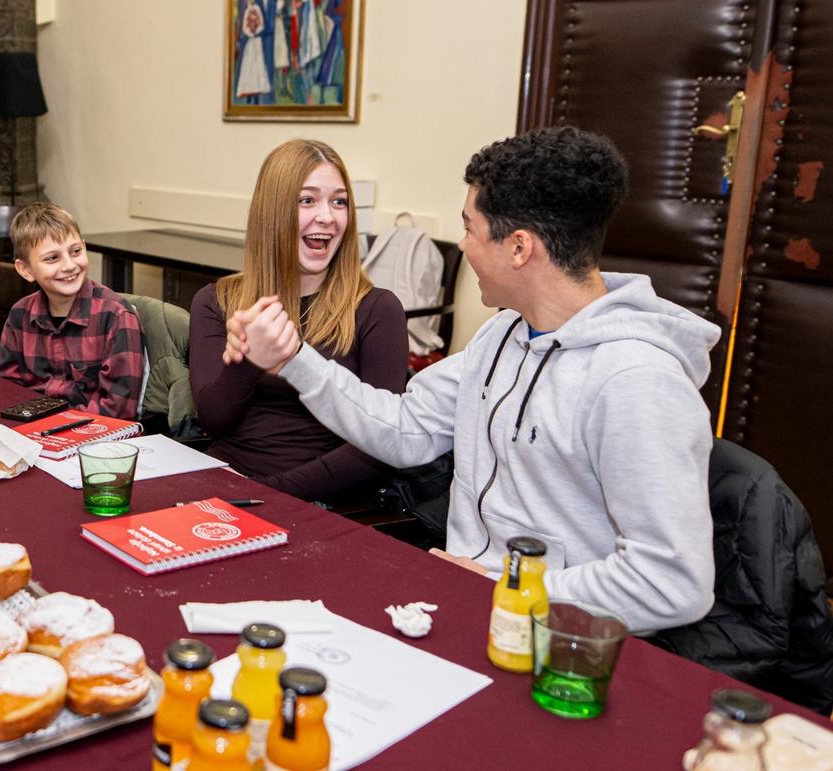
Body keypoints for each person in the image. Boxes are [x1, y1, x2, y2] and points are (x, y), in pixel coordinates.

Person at [225, 127, 721, 634]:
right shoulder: (504, 334)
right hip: (463, 602)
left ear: (519, 248)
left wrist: (496, 587)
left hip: (557, 643)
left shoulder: (637, 381)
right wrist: (293, 359)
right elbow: (406, 428)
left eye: (470, 229)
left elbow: (670, 582)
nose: (462, 246)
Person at [190, 138, 407, 503]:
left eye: (339, 201)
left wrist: (271, 496)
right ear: (271, 213)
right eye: (307, 200)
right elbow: (214, 422)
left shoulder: (377, 310)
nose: (327, 216)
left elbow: (379, 444)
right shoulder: (217, 301)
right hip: (224, 485)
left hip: (320, 499)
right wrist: (247, 360)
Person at [0, 203, 144, 419]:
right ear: (25, 270)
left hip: (94, 438)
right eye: (52, 258)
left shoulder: (117, 317)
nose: (69, 265)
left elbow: (118, 409)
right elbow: (5, 390)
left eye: (75, 251)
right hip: (30, 432)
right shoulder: (20, 315)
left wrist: (49, 423)